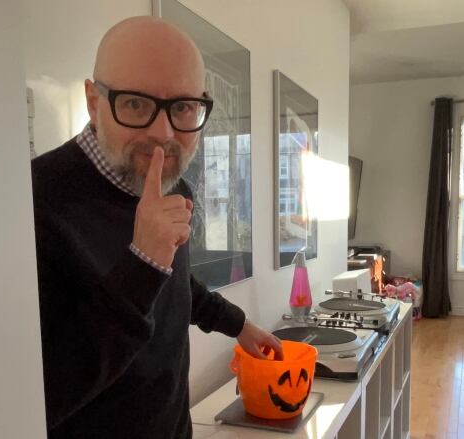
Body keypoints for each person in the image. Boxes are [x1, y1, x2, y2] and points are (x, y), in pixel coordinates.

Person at [31, 16, 283, 438]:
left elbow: (175, 282)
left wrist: (238, 325)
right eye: (135, 104)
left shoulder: (171, 184)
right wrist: (142, 264)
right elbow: (40, 395)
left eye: (183, 107)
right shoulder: (33, 201)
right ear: (94, 102)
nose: (163, 133)